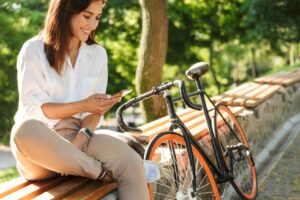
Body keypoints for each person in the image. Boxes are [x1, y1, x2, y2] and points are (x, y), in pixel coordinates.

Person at [10, 0, 150, 199]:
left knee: (131, 162)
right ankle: (97, 171)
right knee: (23, 129)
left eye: (97, 18)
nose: (92, 25)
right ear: (66, 11)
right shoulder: (33, 50)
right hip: (41, 148)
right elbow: (33, 109)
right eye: (87, 16)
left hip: (80, 138)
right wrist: (83, 105)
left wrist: (75, 145)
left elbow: (94, 114)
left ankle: (80, 164)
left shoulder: (97, 55)